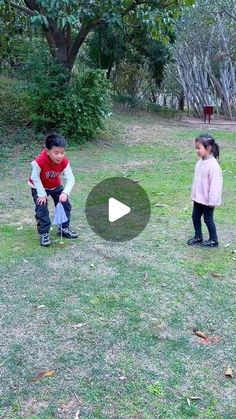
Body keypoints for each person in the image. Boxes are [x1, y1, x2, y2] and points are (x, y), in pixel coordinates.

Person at [28, 133, 78, 246]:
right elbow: (34, 178)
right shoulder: (39, 162)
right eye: (56, 153)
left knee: (65, 204)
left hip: (55, 185)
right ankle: (44, 233)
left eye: (62, 152)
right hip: (38, 186)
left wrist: (65, 193)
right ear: (48, 151)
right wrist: (41, 193)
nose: (60, 156)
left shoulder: (64, 161)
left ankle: (64, 228)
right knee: (42, 208)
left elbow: (71, 179)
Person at [187, 133, 223, 247]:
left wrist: (213, 201)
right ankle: (198, 237)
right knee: (195, 217)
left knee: (208, 219)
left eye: (199, 148)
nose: (197, 150)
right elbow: (197, 181)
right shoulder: (200, 162)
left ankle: (214, 240)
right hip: (198, 198)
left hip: (208, 201)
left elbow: (215, 185)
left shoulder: (213, 165)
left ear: (208, 148)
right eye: (196, 148)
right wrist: (194, 194)